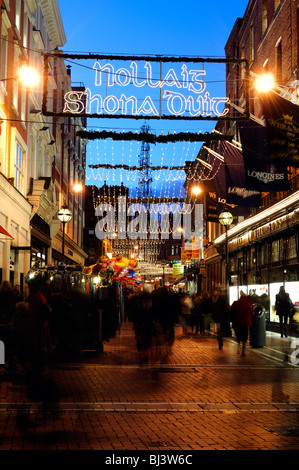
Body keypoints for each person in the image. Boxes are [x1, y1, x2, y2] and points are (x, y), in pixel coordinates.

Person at [230, 291, 254, 356]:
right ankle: (243, 350)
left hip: (237, 323)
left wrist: (231, 320)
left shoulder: (236, 303)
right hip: (245, 323)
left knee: (238, 335)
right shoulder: (249, 303)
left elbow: (231, 311)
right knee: (245, 337)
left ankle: (238, 345)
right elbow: (252, 313)